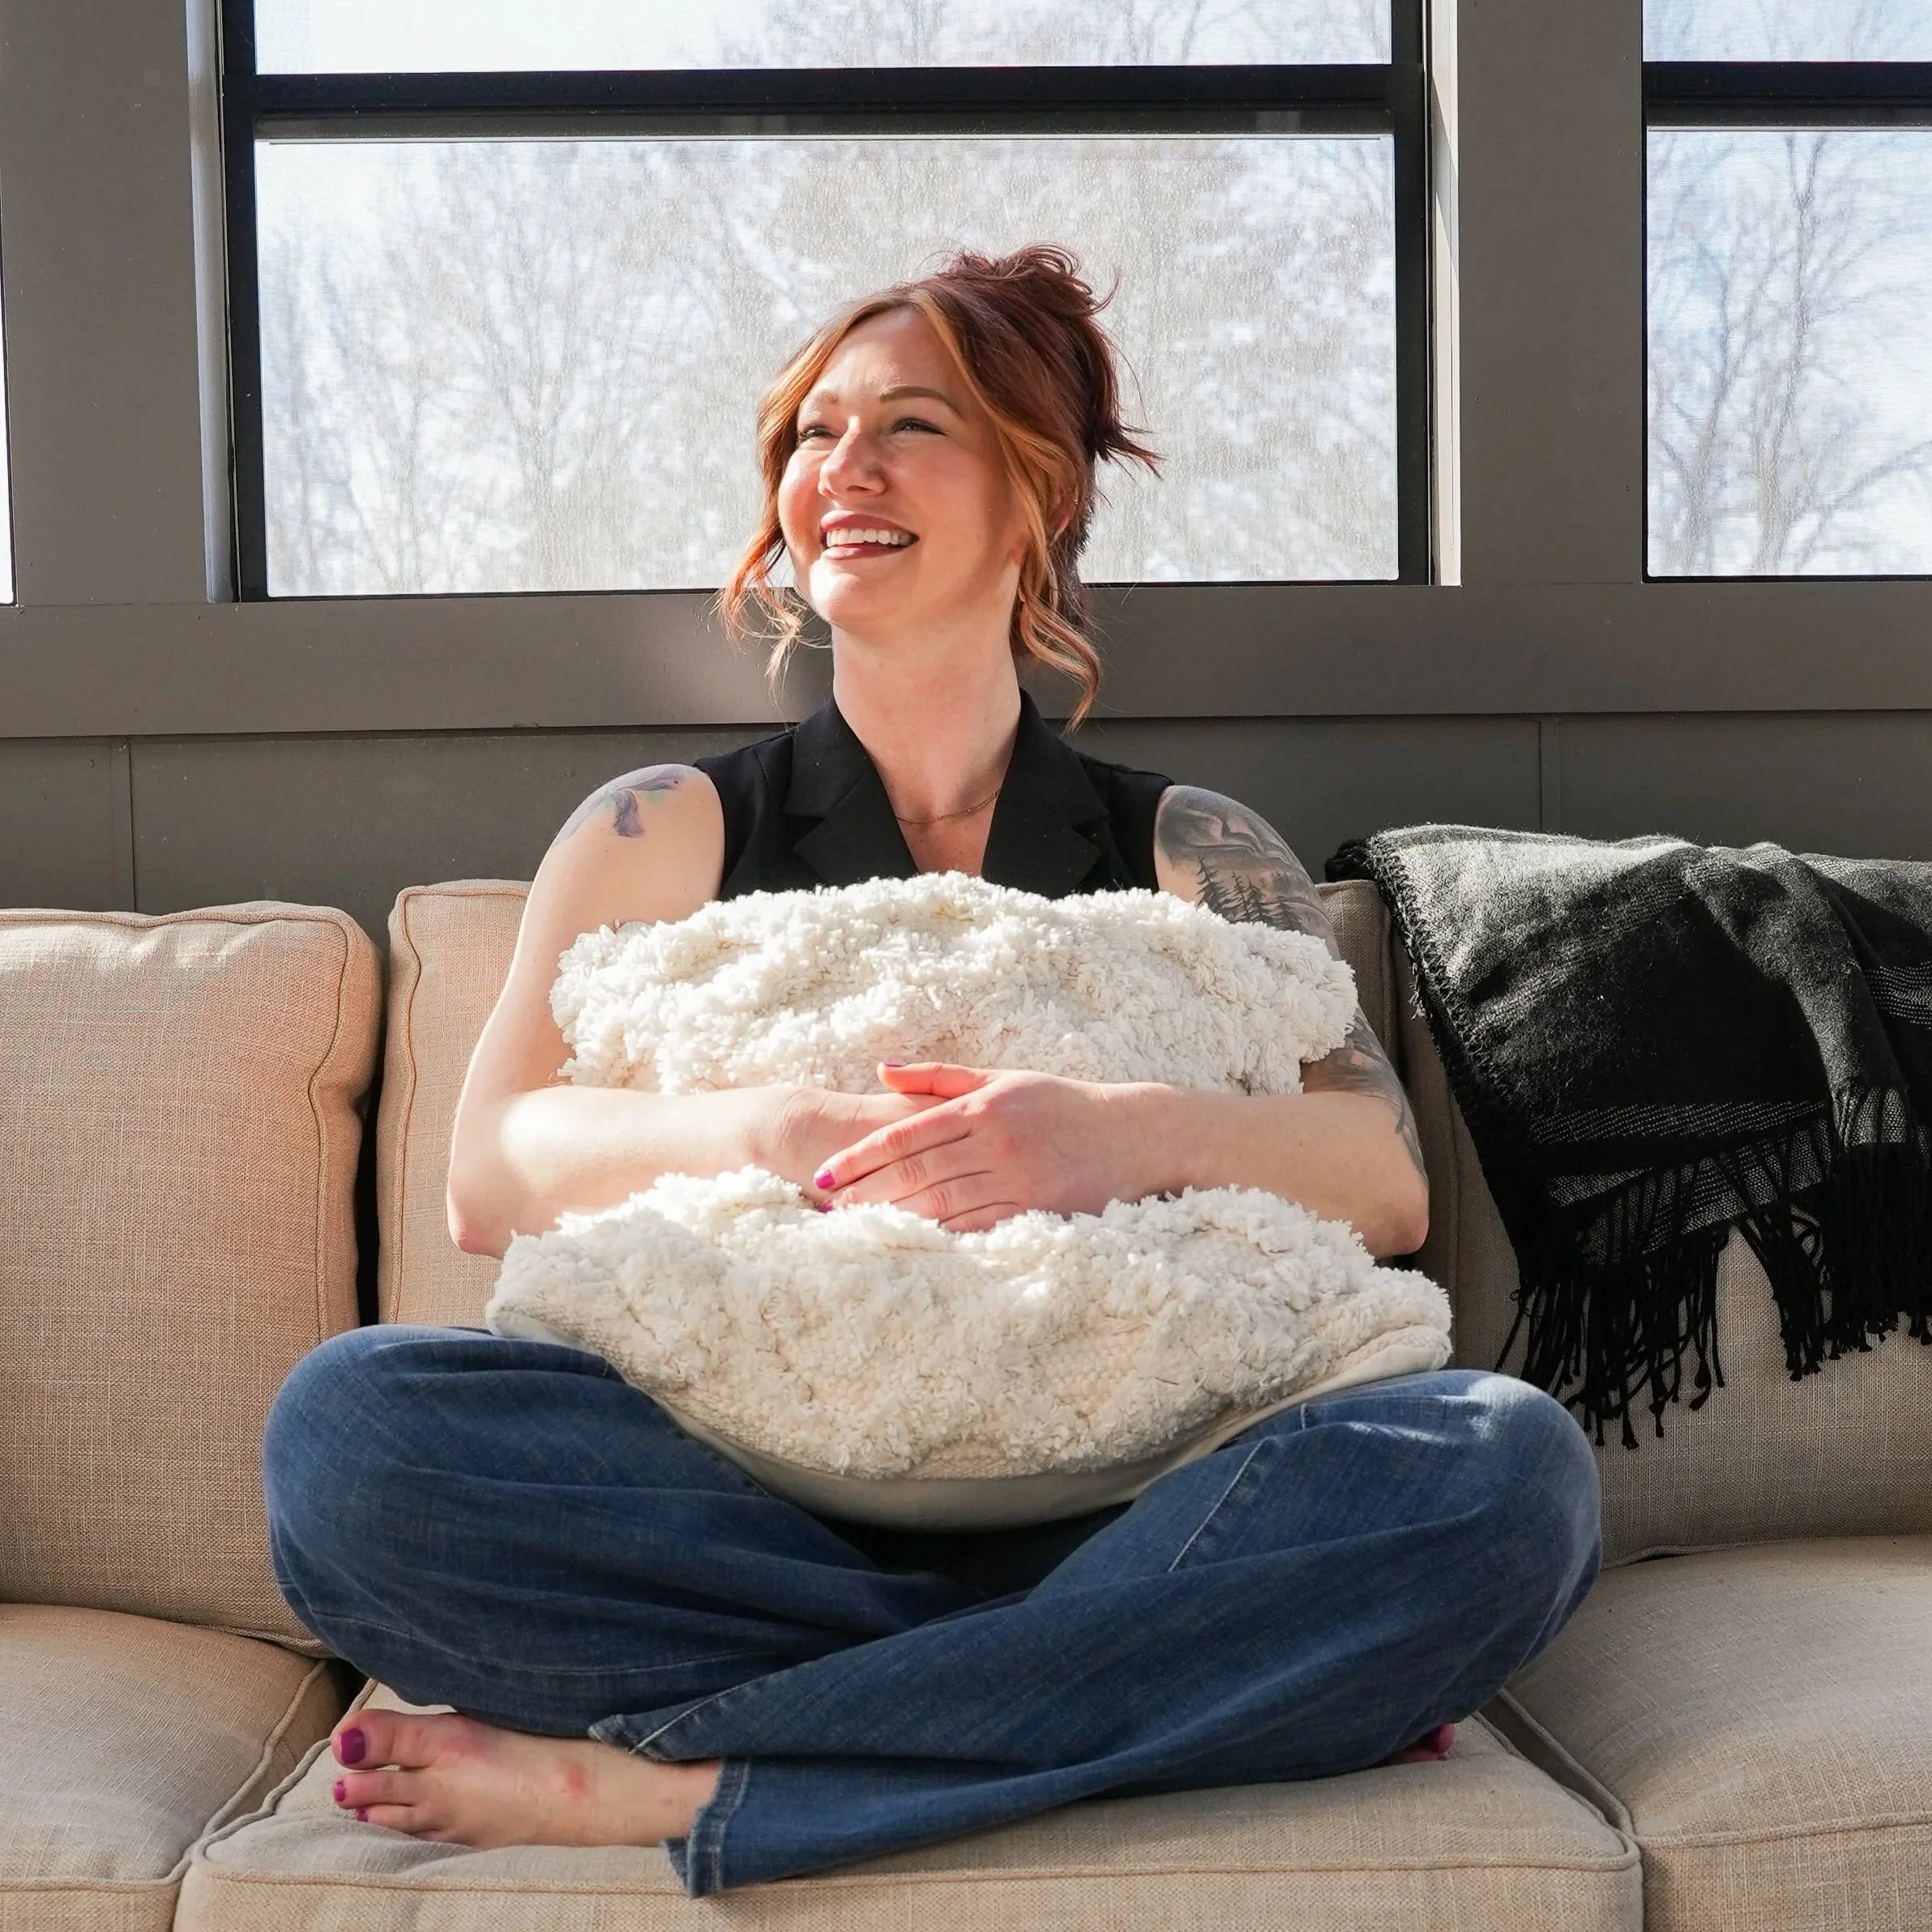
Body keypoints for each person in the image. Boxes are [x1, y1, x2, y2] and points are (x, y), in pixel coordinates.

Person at [263, 246, 1600, 1897]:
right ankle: (1155, 1696)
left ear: (1036, 493)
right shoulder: (661, 827)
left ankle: (686, 1790)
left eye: (911, 425)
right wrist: (774, 1124)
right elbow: (491, 1169)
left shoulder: (1187, 847)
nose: (846, 469)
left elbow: (1382, 1180)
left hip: (1135, 1507)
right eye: (813, 433)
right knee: (347, 1444)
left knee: (1508, 1476)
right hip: (739, 1517)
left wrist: (1105, 1137)